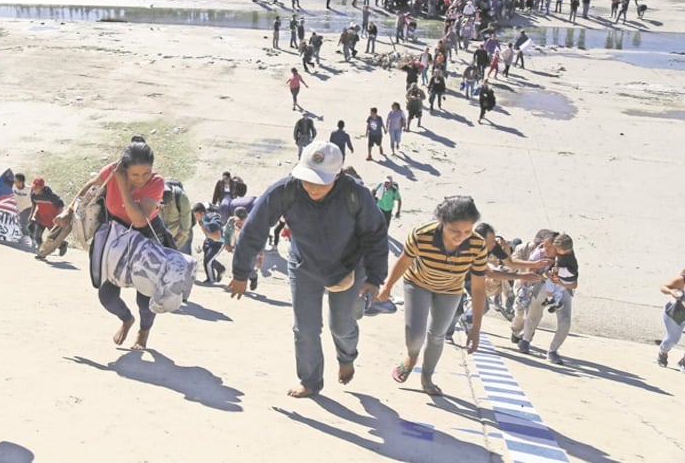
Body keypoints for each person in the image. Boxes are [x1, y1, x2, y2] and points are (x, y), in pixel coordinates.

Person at [230, 141, 388, 397]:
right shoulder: (285, 190)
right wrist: (240, 273)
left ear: (336, 176)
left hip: (348, 267)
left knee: (341, 325)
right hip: (305, 265)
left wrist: (374, 278)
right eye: (308, 179)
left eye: (321, 181)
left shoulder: (355, 195)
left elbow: (376, 235)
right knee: (305, 328)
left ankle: (346, 357)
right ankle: (310, 381)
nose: (312, 187)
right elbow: (254, 229)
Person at [53, 138, 167, 349]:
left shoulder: (156, 183)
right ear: (124, 168)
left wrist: (124, 186)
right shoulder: (111, 171)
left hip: (145, 236)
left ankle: (144, 332)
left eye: (146, 173)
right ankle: (126, 319)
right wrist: (68, 209)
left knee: (145, 298)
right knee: (106, 296)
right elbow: (92, 185)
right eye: (135, 174)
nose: (141, 179)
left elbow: (139, 219)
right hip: (115, 233)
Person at [378, 196, 487, 396]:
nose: (461, 236)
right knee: (415, 335)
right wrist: (387, 286)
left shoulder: (477, 245)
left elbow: (479, 287)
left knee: (437, 336)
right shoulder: (421, 235)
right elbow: (403, 262)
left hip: (451, 290)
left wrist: (476, 327)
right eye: (455, 230)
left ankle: (427, 377)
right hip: (417, 284)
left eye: (467, 231)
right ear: (442, 222)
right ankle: (411, 358)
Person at [514, 232, 578, 365]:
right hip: (542, 286)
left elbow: (574, 283)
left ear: (558, 248)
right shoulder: (540, 255)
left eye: (549, 247)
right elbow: (532, 274)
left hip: (562, 288)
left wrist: (561, 282)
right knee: (534, 314)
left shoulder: (568, 257)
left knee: (565, 322)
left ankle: (553, 351)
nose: (546, 250)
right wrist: (546, 274)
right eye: (545, 246)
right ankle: (525, 340)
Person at [656, 267, 685, 370]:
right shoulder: (682, 281)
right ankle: (663, 351)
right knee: (671, 341)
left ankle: (683, 362)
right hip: (675, 314)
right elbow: (663, 287)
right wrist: (671, 291)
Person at [29, 178, 65, 251]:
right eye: (33, 187)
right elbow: (34, 204)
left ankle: (63, 244)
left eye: (36, 187)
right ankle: (42, 250)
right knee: (36, 236)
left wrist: (58, 217)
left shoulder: (51, 196)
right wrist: (31, 214)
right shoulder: (33, 195)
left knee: (53, 239)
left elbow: (60, 206)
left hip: (52, 220)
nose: (34, 189)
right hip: (41, 218)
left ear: (41, 187)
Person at [158, 180, 193, 254]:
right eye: (160, 205)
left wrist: (172, 243)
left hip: (181, 242)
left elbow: (185, 230)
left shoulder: (182, 198)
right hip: (162, 242)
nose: (162, 207)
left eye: (166, 205)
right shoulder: (152, 197)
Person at [194, 205, 226, 283]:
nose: (195, 217)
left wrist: (206, 232)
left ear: (202, 213)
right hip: (209, 241)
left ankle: (211, 280)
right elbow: (206, 232)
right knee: (208, 259)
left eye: (196, 215)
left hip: (218, 243)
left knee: (208, 261)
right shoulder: (201, 219)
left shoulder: (211, 221)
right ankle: (220, 268)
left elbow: (217, 236)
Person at [12, 173, 33, 244]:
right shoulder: (13, 186)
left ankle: (32, 239)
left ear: (21, 182)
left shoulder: (29, 189)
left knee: (23, 224)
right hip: (17, 208)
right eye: (14, 181)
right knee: (17, 223)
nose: (14, 183)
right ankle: (22, 237)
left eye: (16, 181)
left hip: (27, 208)